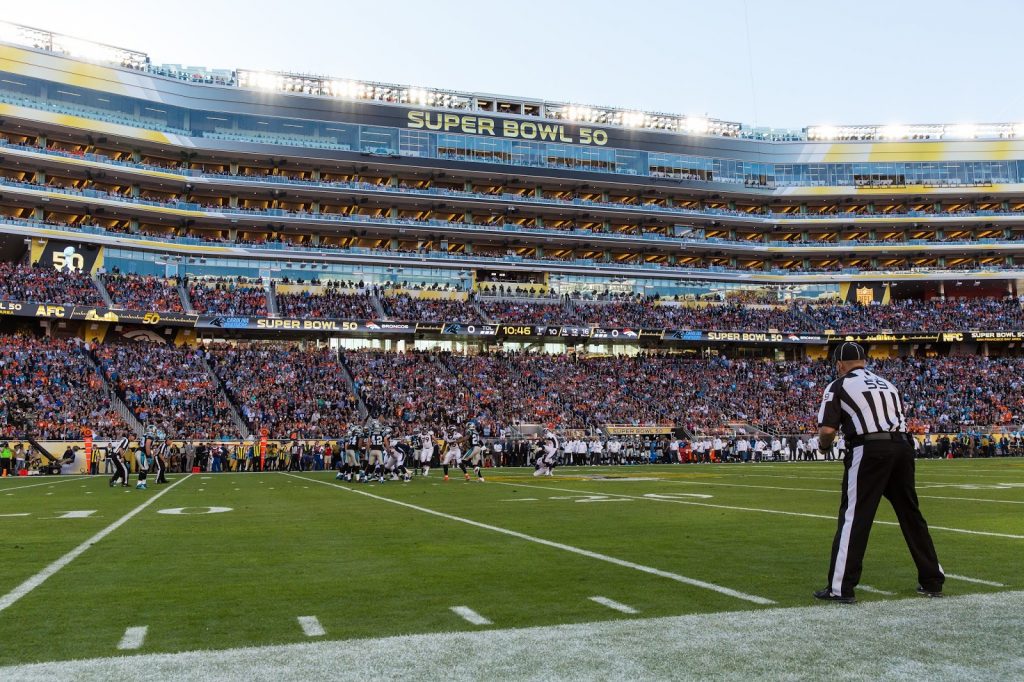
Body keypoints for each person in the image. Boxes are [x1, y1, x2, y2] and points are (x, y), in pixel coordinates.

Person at [813, 342, 944, 604]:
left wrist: (823, 447)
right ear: (865, 361)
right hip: (902, 447)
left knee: (854, 516)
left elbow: (827, 430)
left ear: (840, 364)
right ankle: (932, 579)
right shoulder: (888, 384)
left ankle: (841, 587)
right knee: (911, 514)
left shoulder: (838, 385)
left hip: (869, 449)